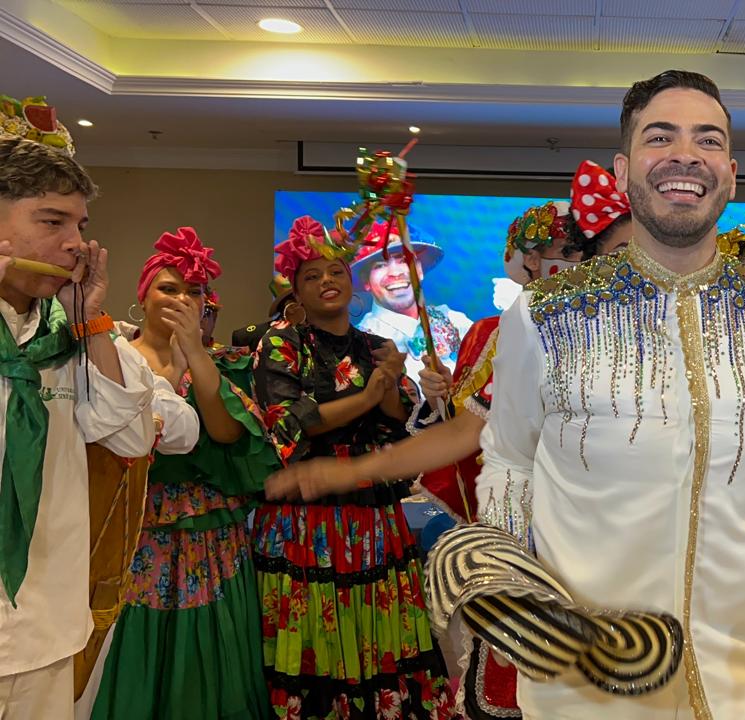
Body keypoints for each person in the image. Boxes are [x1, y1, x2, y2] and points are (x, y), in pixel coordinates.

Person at [453, 69, 745, 718]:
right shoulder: (547, 315)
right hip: (593, 683)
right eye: (662, 137)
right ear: (626, 169)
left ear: (731, 173)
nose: (686, 154)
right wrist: (516, 602)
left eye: (707, 140)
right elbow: (510, 465)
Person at [268, 163, 636, 720]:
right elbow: (467, 428)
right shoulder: (527, 334)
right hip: (542, 534)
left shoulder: (666, 338)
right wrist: (349, 467)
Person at [252, 215, 452, 719]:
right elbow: (297, 422)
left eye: (336, 272)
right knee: (319, 630)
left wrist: (393, 385)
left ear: (350, 281)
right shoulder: (281, 343)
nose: (327, 283)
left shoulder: (374, 346)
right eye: (313, 275)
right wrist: (370, 393)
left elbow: (399, 423)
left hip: (373, 511)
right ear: (294, 289)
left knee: (380, 626)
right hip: (309, 512)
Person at [89, 227, 279, 719]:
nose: (180, 299)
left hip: (209, 527)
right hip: (132, 523)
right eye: (168, 288)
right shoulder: (113, 356)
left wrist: (193, 352)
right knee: (131, 638)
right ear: (143, 294)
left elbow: (226, 434)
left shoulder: (224, 363)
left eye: (193, 291)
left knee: (212, 644)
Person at [0, 135, 157, 717]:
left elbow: (132, 437)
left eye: (80, 224)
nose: (75, 244)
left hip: (47, 624)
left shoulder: (73, 335)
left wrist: (92, 324)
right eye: (52, 220)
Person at [352, 221, 470, 375]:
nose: (395, 273)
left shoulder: (455, 321)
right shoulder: (360, 344)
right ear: (366, 281)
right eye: (380, 265)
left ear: (419, 270)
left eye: (403, 260)